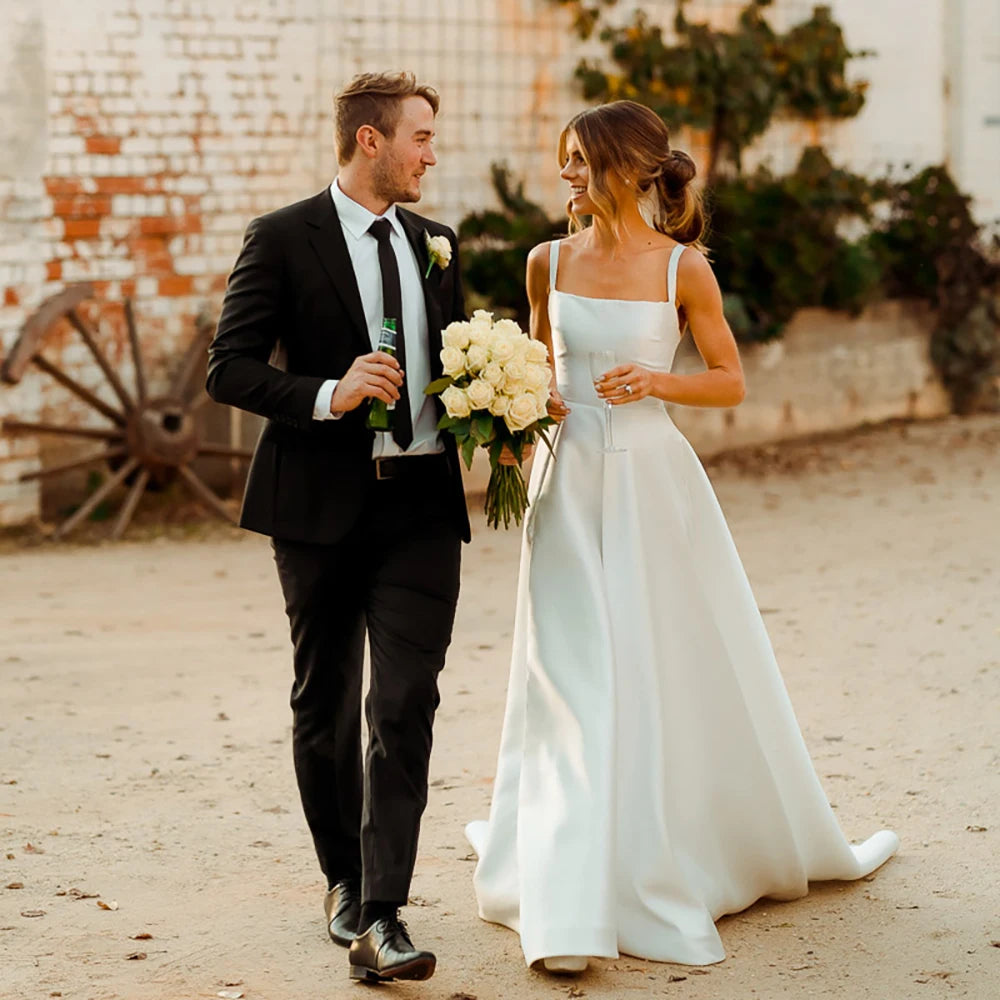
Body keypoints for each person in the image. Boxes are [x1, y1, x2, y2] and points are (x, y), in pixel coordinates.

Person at [464, 100, 899, 975]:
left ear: (628, 168)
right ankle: (569, 904)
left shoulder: (683, 271)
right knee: (571, 676)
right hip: (568, 487)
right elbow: (543, 368)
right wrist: (528, 406)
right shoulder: (544, 262)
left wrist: (658, 379)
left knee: (660, 666)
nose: (568, 177)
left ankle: (669, 855)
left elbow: (731, 382)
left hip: (654, 485)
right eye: (564, 162)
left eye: (582, 161)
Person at [206, 71, 471, 984]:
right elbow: (228, 369)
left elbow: (456, 364)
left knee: (405, 704)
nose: (432, 154)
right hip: (317, 508)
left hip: (424, 509)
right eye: (421, 137)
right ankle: (344, 883)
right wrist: (328, 393)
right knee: (326, 701)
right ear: (371, 140)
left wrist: (501, 410)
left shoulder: (439, 242)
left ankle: (386, 913)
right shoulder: (282, 238)